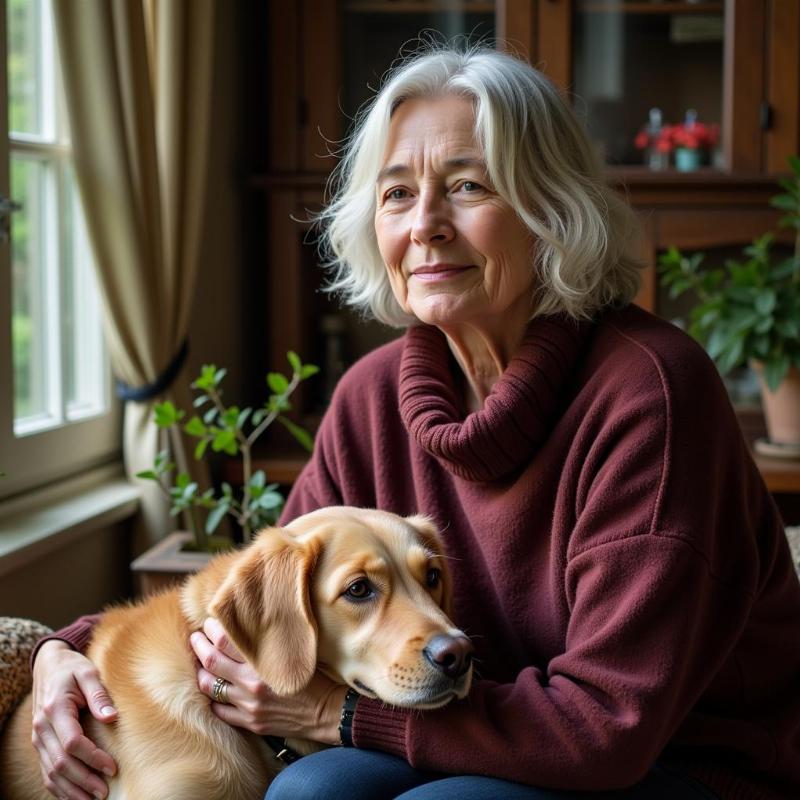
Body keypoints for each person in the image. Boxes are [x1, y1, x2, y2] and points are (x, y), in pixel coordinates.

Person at [28, 43, 800, 800]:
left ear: (550, 208)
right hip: (463, 721)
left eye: (467, 186)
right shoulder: (371, 397)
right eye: (397, 194)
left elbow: (611, 726)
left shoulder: (651, 393)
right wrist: (63, 654)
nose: (425, 224)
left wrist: (339, 713)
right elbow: (261, 605)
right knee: (311, 791)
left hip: (676, 761)